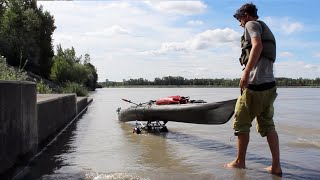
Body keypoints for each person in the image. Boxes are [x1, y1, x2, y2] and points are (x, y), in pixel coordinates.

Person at [224, 3, 282, 176]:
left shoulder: (251, 24)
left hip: (255, 85)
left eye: (239, 18)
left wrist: (246, 72)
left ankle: (240, 162)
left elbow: (257, 46)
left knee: (241, 122)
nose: (239, 23)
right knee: (268, 125)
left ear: (246, 15)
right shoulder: (265, 27)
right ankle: (276, 167)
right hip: (270, 87)